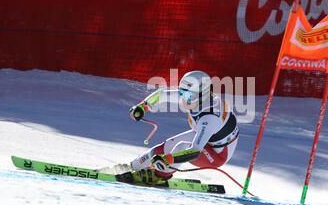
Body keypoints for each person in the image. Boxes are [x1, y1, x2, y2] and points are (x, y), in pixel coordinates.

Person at [99, 70, 239, 184]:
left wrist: (169, 160)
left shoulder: (209, 117)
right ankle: (133, 166)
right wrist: (143, 107)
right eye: (181, 93)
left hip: (217, 154)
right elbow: (162, 95)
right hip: (206, 138)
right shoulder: (195, 97)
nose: (183, 98)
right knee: (167, 145)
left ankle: (159, 175)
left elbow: (195, 151)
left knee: (181, 147)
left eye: (188, 95)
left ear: (202, 94)